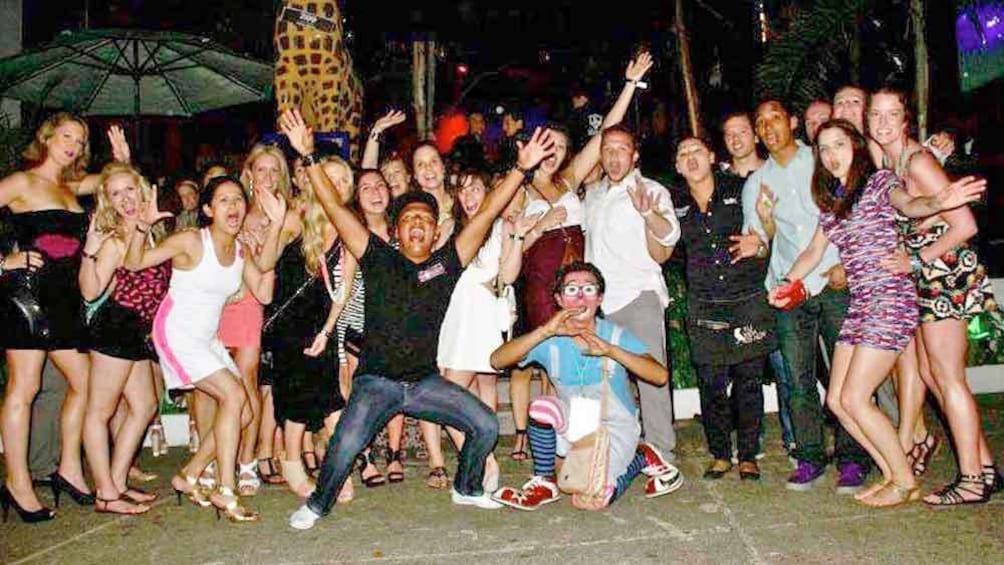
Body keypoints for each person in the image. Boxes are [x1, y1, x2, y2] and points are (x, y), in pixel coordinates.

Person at [279, 108, 557, 530]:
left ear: (435, 231)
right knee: (346, 443)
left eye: (425, 222)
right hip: (377, 382)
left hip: (425, 383)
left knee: (483, 424)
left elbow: (483, 217)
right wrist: (309, 156)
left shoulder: (446, 265)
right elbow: (336, 210)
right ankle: (318, 504)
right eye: (409, 220)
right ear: (397, 228)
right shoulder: (378, 258)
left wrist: (520, 169)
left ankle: (467, 487)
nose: (417, 227)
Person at [769, 118, 985, 507]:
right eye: (824, 149)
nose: (832, 154)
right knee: (837, 400)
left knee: (855, 396)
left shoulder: (880, 183)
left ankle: (904, 481)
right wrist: (789, 282)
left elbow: (910, 204)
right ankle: (892, 474)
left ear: (854, 145)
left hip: (889, 301)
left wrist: (938, 201)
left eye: (839, 144)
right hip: (862, 305)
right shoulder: (833, 204)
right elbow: (814, 252)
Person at [511, 53, 653, 462]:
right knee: (554, 364)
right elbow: (506, 242)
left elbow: (606, 132)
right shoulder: (518, 191)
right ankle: (555, 449)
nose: (552, 151)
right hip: (542, 287)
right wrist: (538, 225)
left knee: (583, 363)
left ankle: (584, 441)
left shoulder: (570, 180)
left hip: (582, 285)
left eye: (559, 145)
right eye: (545, 144)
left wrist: (629, 85)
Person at [869, 87, 1002, 505]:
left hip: (944, 274)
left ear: (906, 120)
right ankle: (984, 468)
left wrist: (915, 260)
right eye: (876, 114)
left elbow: (965, 226)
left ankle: (971, 481)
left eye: (893, 114)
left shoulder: (919, 162)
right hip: (930, 276)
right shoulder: (893, 160)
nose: (884, 122)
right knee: (931, 375)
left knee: (948, 377)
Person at [126, 175, 285, 522]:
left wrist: (276, 225)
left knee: (242, 411)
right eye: (224, 200)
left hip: (205, 339)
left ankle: (189, 474)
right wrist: (142, 226)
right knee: (233, 396)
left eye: (238, 200)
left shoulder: (240, 249)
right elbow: (135, 263)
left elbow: (265, 292)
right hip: (177, 333)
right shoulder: (190, 241)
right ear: (209, 209)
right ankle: (225, 490)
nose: (234, 206)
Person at [0, 114, 130, 522]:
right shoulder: (22, 182)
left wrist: (123, 159)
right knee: (25, 386)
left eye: (80, 139)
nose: (73, 144)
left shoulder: (71, 186)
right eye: (66, 136)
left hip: (65, 301)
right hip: (27, 297)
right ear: (47, 137)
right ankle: (17, 482)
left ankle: (69, 467)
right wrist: (5, 261)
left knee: (86, 382)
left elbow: (119, 182)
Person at [742, 100, 871, 493]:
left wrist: (846, 264)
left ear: (793, 122)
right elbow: (760, 245)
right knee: (798, 380)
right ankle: (810, 456)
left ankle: (853, 458)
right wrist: (761, 230)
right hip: (790, 289)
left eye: (775, 118)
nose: (768, 127)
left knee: (846, 376)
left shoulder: (822, 159)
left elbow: (853, 212)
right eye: (760, 122)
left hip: (835, 282)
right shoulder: (756, 183)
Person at [490, 262, 683, 511]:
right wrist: (544, 331)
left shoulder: (614, 334)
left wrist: (611, 350)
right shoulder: (551, 339)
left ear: (599, 299)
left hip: (614, 428)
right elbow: (497, 360)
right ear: (559, 299)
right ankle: (544, 482)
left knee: (593, 500)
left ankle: (641, 455)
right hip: (574, 426)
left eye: (589, 289)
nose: (580, 296)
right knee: (542, 406)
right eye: (572, 290)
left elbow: (659, 376)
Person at [430, 169, 542, 492]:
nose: (469, 197)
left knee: (454, 395)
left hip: (480, 317)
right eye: (462, 190)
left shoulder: (502, 226)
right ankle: (483, 459)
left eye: (475, 188)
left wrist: (518, 237)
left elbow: (507, 276)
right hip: (454, 315)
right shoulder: (451, 228)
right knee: (463, 395)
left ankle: (483, 459)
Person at [673, 137, 774, 480]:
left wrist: (759, 242)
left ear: (712, 157)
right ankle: (720, 454)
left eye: (697, 151)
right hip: (703, 303)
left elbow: (768, 228)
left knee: (748, 381)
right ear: (676, 165)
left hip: (746, 299)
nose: (691, 158)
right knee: (711, 383)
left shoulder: (741, 188)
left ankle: (748, 455)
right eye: (683, 154)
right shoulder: (673, 203)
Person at [583, 123, 681, 460]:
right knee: (611, 382)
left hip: (639, 296)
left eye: (621, 149)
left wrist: (648, 213)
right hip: (602, 304)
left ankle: (661, 451)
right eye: (607, 149)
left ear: (634, 154)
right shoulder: (592, 194)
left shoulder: (651, 190)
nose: (613, 156)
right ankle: (622, 449)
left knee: (652, 377)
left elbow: (668, 237)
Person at [262, 155, 355, 501]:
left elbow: (342, 291)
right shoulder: (295, 218)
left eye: (341, 181)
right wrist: (274, 224)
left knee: (331, 400)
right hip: (290, 324)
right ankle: (291, 463)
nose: (334, 186)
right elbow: (266, 262)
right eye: (327, 178)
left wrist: (328, 331)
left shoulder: (348, 226)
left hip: (322, 325)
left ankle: (337, 465)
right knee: (297, 400)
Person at [79, 163, 170, 514]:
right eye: (115, 193)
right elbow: (90, 291)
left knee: (145, 406)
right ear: (107, 201)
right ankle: (105, 492)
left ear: (141, 190)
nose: (125, 199)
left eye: (129, 189)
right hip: (114, 330)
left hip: (136, 333)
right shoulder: (116, 239)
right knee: (99, 412)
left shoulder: (151, 230)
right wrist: (89, 249)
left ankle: (116, 481)